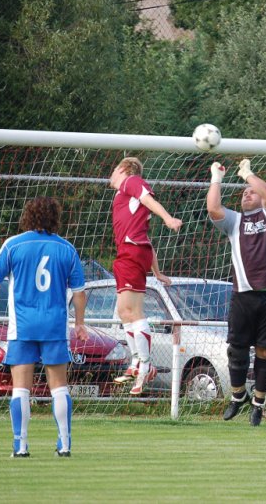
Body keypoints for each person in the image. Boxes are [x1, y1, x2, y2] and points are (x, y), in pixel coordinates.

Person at [0, 196, 88, 458]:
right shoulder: (67, 249)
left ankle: (20, 446)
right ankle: (65, 444)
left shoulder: (13, 245)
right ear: (55, 218)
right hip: (54, 326)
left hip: (23, 327)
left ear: (28, 217)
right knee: (59, 387)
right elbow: (80, 292)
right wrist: (80, 324)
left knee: (21, 387)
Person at [206, 159, 266, 426]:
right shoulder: (235, 222)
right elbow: (213, 208)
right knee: (237, 349)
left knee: (265, 351)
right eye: (244, 192)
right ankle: (238, 396)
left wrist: (247, 174)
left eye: (252, 191)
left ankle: (258, 404)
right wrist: (216, 178)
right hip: (243, 295)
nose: (247, 193)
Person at [108, 157, 182, 395]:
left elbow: (149, 199)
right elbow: (145, 240)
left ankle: (145, 364)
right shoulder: (124, 195)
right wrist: (157, 272)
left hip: (131, 251)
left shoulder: (131, 181)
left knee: (133, 312)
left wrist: (167, 218)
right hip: (133, 251)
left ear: (123, 169)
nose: (112, 174)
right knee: (124, 311)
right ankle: (136, 361)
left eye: (115, 169)